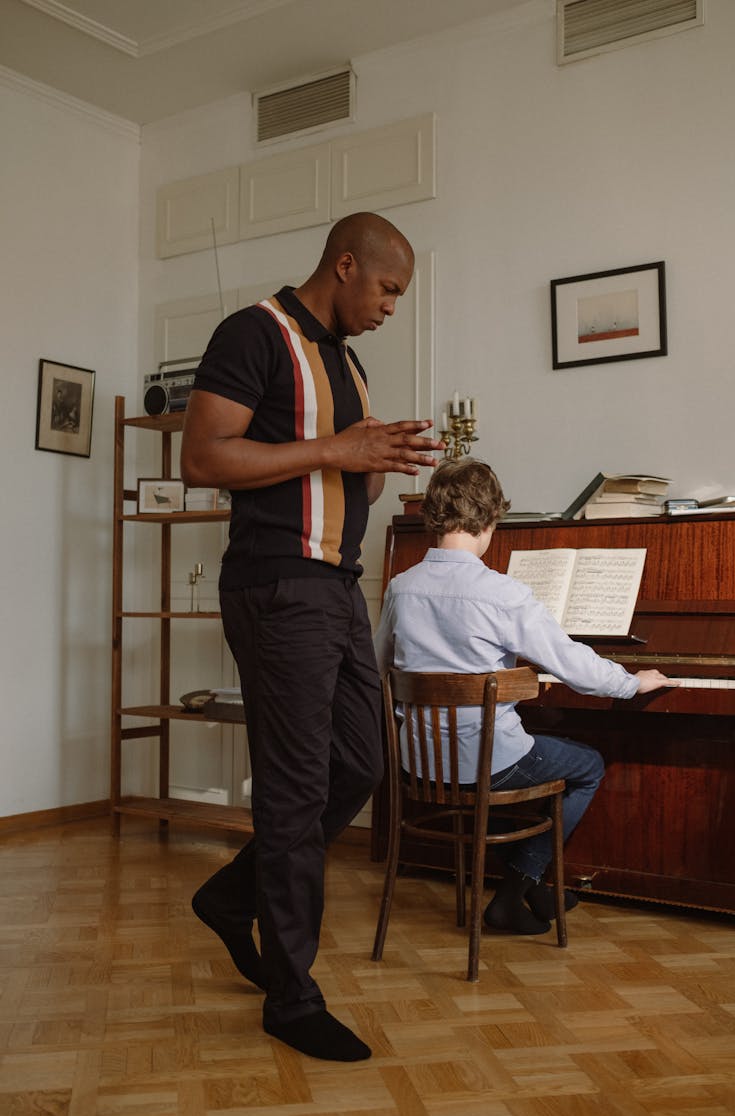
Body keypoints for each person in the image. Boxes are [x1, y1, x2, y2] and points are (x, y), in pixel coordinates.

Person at [180, 211, 443, 1063]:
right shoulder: (252, 332)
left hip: (336, 586)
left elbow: (334, 463)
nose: (391, 307)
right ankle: (292, 998)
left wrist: (379, 456)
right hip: (275, 584)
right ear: (345, 266)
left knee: (362, 762)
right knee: (294, 792)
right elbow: (205, 458)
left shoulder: (348, 360)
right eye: (388, 289)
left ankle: (233, 892)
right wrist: (338, 446)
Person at [373, 457, 672, 935]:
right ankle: (514, 891)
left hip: (420, 763)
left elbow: (379, 668)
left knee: (532, 747)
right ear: (490, 520)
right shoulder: (503, 594)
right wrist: (632, 682)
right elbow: (574, 665)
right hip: (487, 763)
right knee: (587, 766)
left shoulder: (400, 588)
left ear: (432, 516)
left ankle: (535, 889)